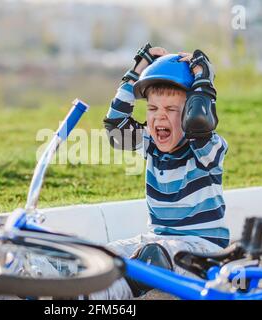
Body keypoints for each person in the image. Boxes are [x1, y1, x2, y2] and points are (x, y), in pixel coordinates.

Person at [89, 44, 230, 299]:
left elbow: (200, 121)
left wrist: (203, 77)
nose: (158, 118)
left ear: (189, 113)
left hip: (204, 251)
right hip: (158, 241)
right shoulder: (151, 142)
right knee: (100, 255)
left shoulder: (207, 148)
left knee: (152, 257)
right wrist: (137, 71)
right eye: (152, 109)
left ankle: (101, 299)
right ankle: (50, 284)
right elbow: (115, 128)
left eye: (171, 110)